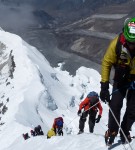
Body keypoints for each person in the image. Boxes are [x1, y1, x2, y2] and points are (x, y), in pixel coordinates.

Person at [100, 17, 135, 145]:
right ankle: (113, 130)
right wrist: (104, 85)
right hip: (121, 80)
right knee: (115, 105)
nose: (132, 45)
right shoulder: (116, 44)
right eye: (130, 42)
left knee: (133, 109)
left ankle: (125, 131)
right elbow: (106, 63)